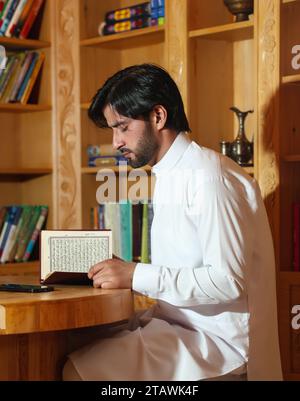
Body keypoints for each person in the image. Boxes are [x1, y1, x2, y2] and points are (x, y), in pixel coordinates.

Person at [63, 64, 282, 381]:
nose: (115, 142)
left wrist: (136, 274)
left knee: (77, 371)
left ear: (158, 117)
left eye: (122, 127)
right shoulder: (171, 173)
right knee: (72, 345)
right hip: (179, 327)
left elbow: (228, 281)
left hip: (218, 346)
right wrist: (126, 271)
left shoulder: (209, 176)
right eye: (112, 130)